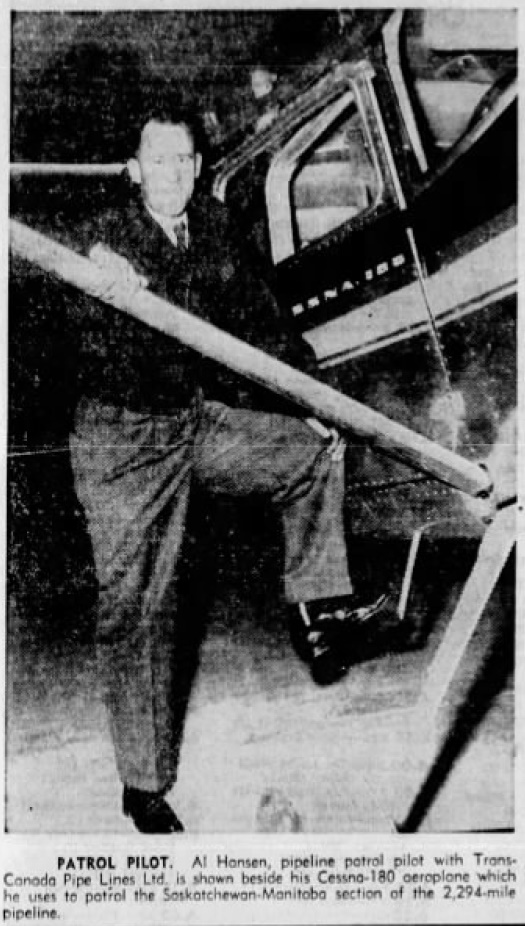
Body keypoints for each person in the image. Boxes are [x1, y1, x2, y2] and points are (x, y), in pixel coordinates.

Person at [68, 104, 395, 834]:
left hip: (191, 423)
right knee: (137, 607)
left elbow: (264, 324)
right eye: (158, 159)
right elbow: (65, 280)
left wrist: (315, 402)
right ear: (134, 170)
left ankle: (318, 612)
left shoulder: (213, 228)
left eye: (184, 160)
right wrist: (93, 271)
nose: (173, 173)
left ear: (198, 168)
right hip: (120, 442)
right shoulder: (106, 235)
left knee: (310, 451)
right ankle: (143, 785)